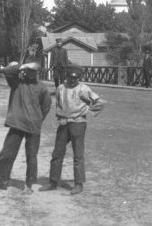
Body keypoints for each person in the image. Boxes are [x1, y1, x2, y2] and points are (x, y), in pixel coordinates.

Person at [0, 60, 51, 194]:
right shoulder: (16, 82)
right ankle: (0, 180)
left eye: (34, 71)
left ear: (37, 73)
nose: (31, 73)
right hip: (17, 124)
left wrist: (37, 119)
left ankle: (29, 184)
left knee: (31, 156)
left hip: (33, 126)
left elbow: (46, 106)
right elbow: (8, 71)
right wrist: (24, 65)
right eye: (29, 70)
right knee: (7, 154)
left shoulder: (42, 87)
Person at [40, 64, 105, 195]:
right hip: (64, 123)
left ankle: (78, 183)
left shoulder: (83, 89)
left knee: (78, 154)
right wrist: (59, 116)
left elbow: (100, 102)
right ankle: (53, 181)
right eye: (70, 77)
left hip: (78, 123)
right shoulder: (60, 88)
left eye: (76, 78)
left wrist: (87, 111)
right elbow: (58, 103)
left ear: (79, 78)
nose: (73, 80)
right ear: (66, 76)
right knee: (57, 153)